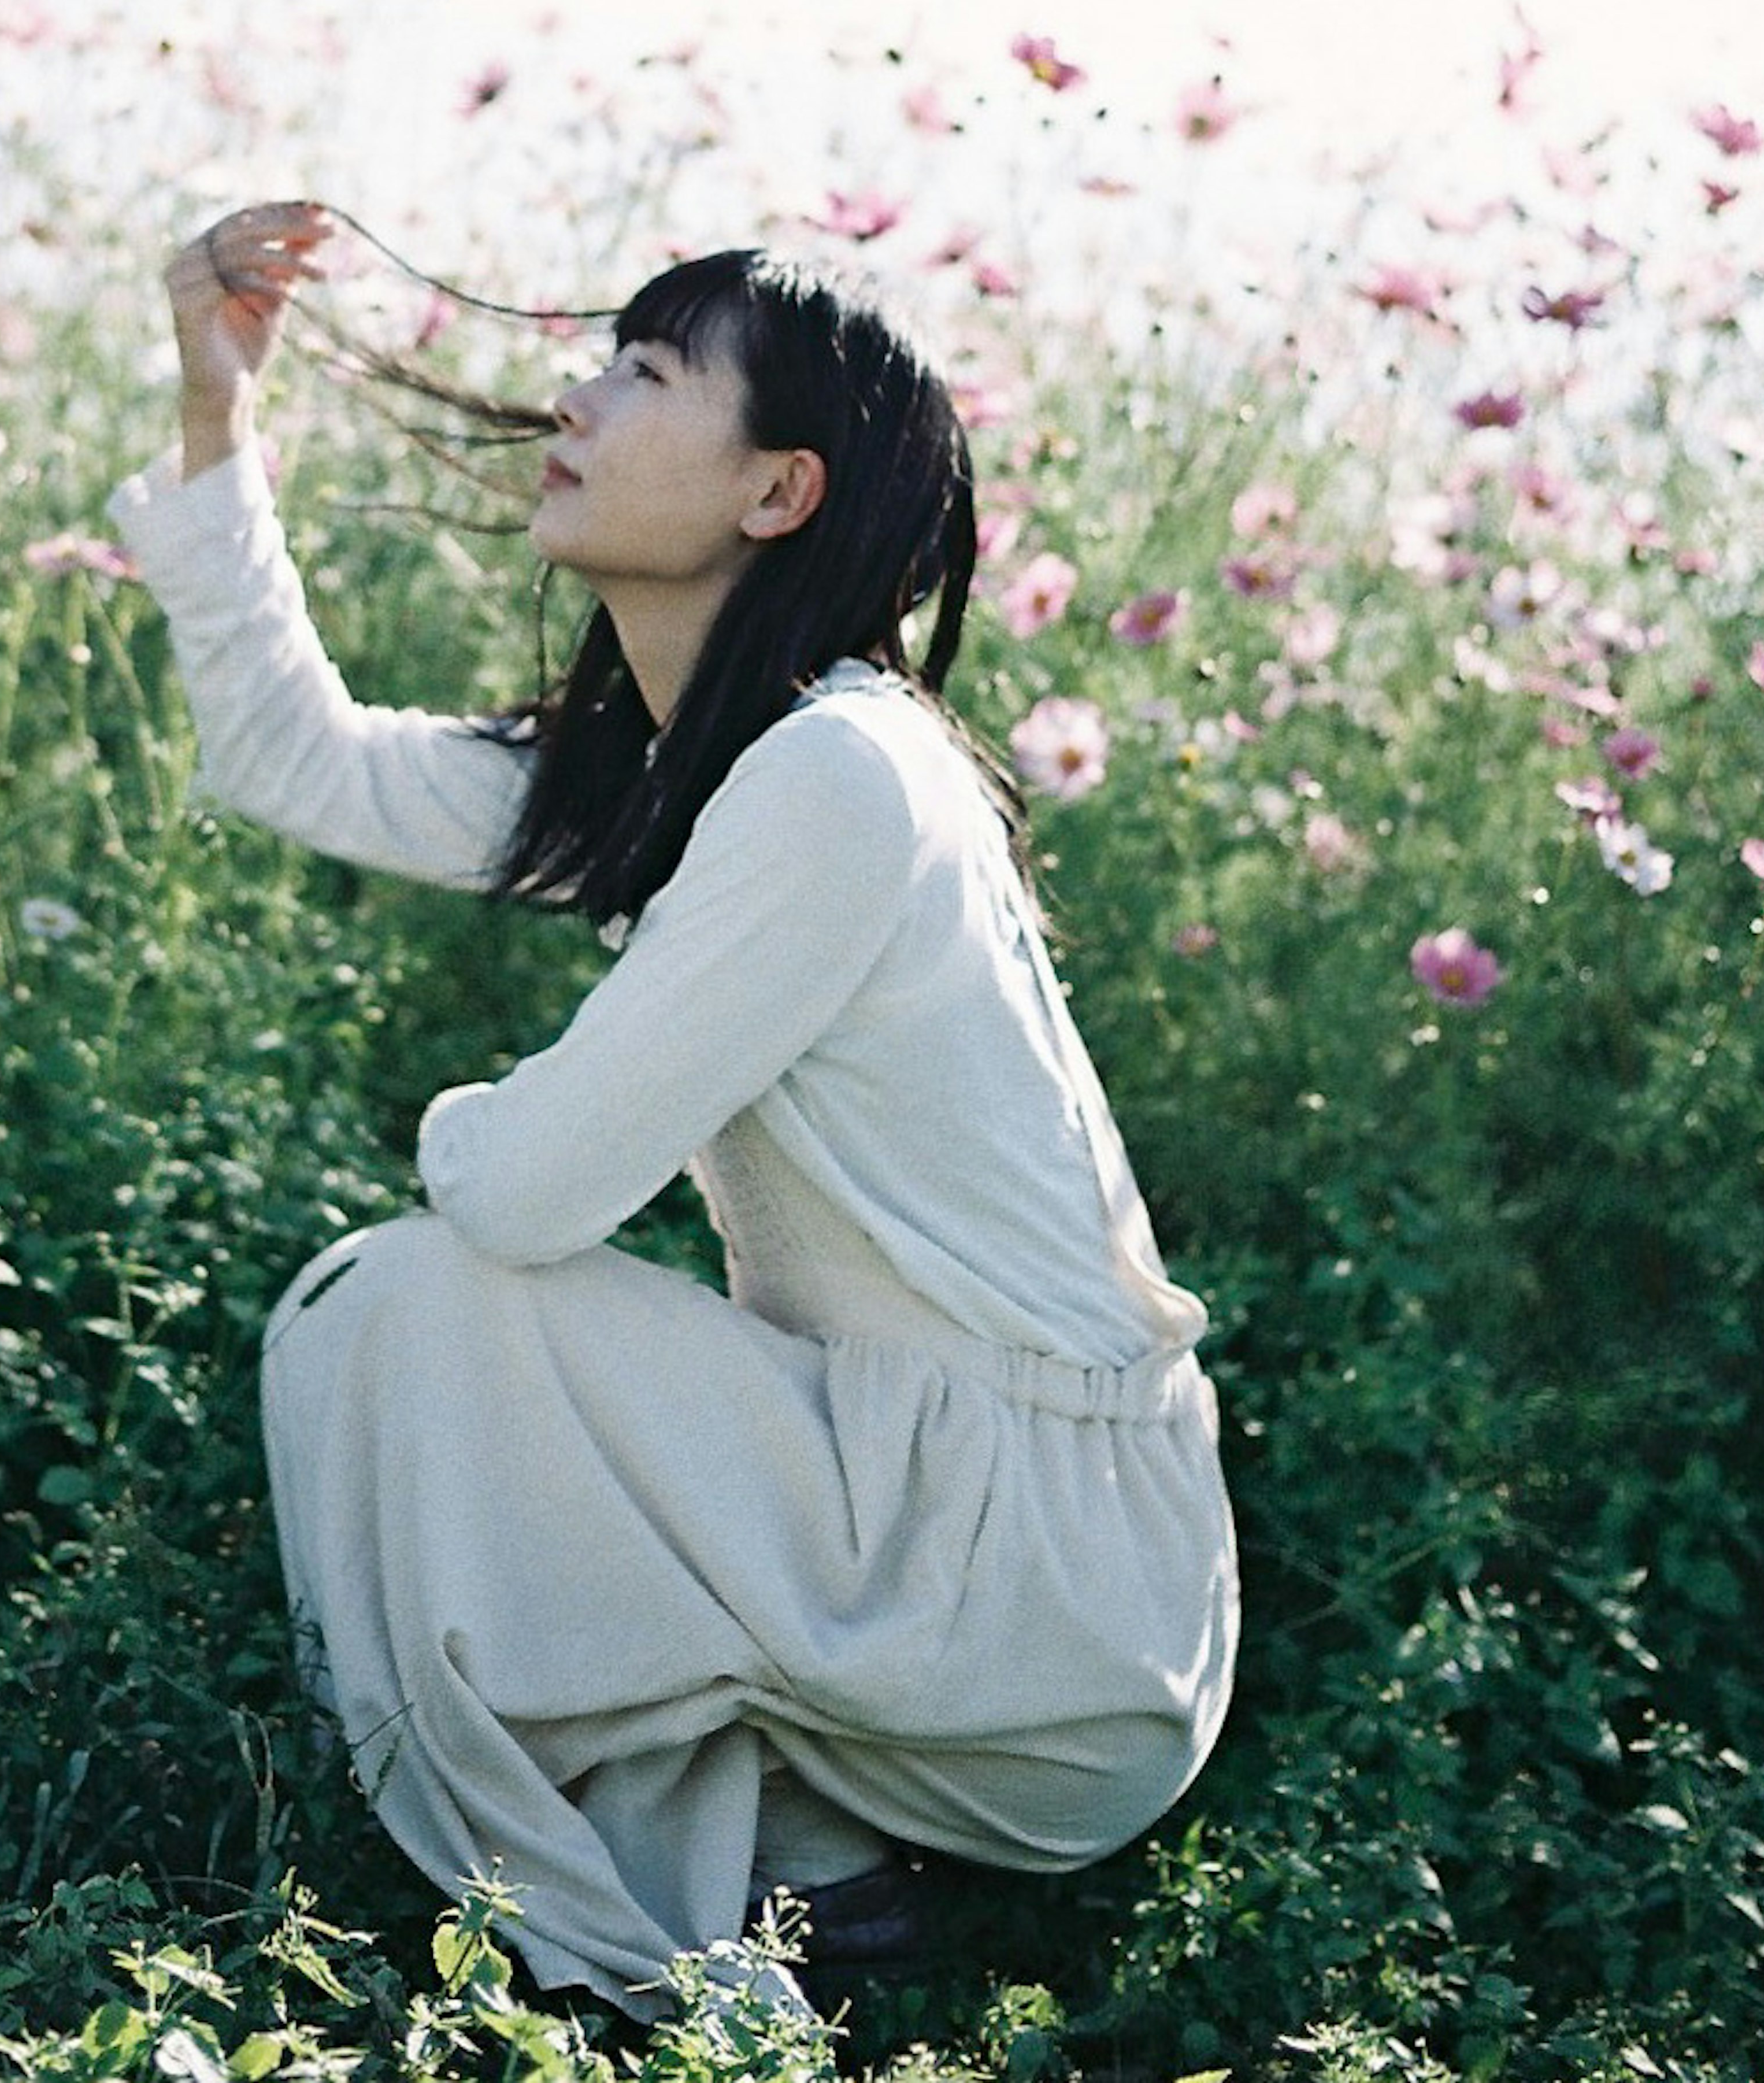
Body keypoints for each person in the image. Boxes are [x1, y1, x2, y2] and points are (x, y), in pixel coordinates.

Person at [109, 197, 1239, 2023]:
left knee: (414, 1302)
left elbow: (532, 1193)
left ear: (774, 491)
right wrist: (218, 407)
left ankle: (637, 1945)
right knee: (382, 1320)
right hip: (922, 1505)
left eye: (642, 372)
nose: (573, 398)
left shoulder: (840, 780)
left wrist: (465, 1121)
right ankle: (808, 1874)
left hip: (1039, 1583)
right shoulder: (691, 766)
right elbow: (293, 757)